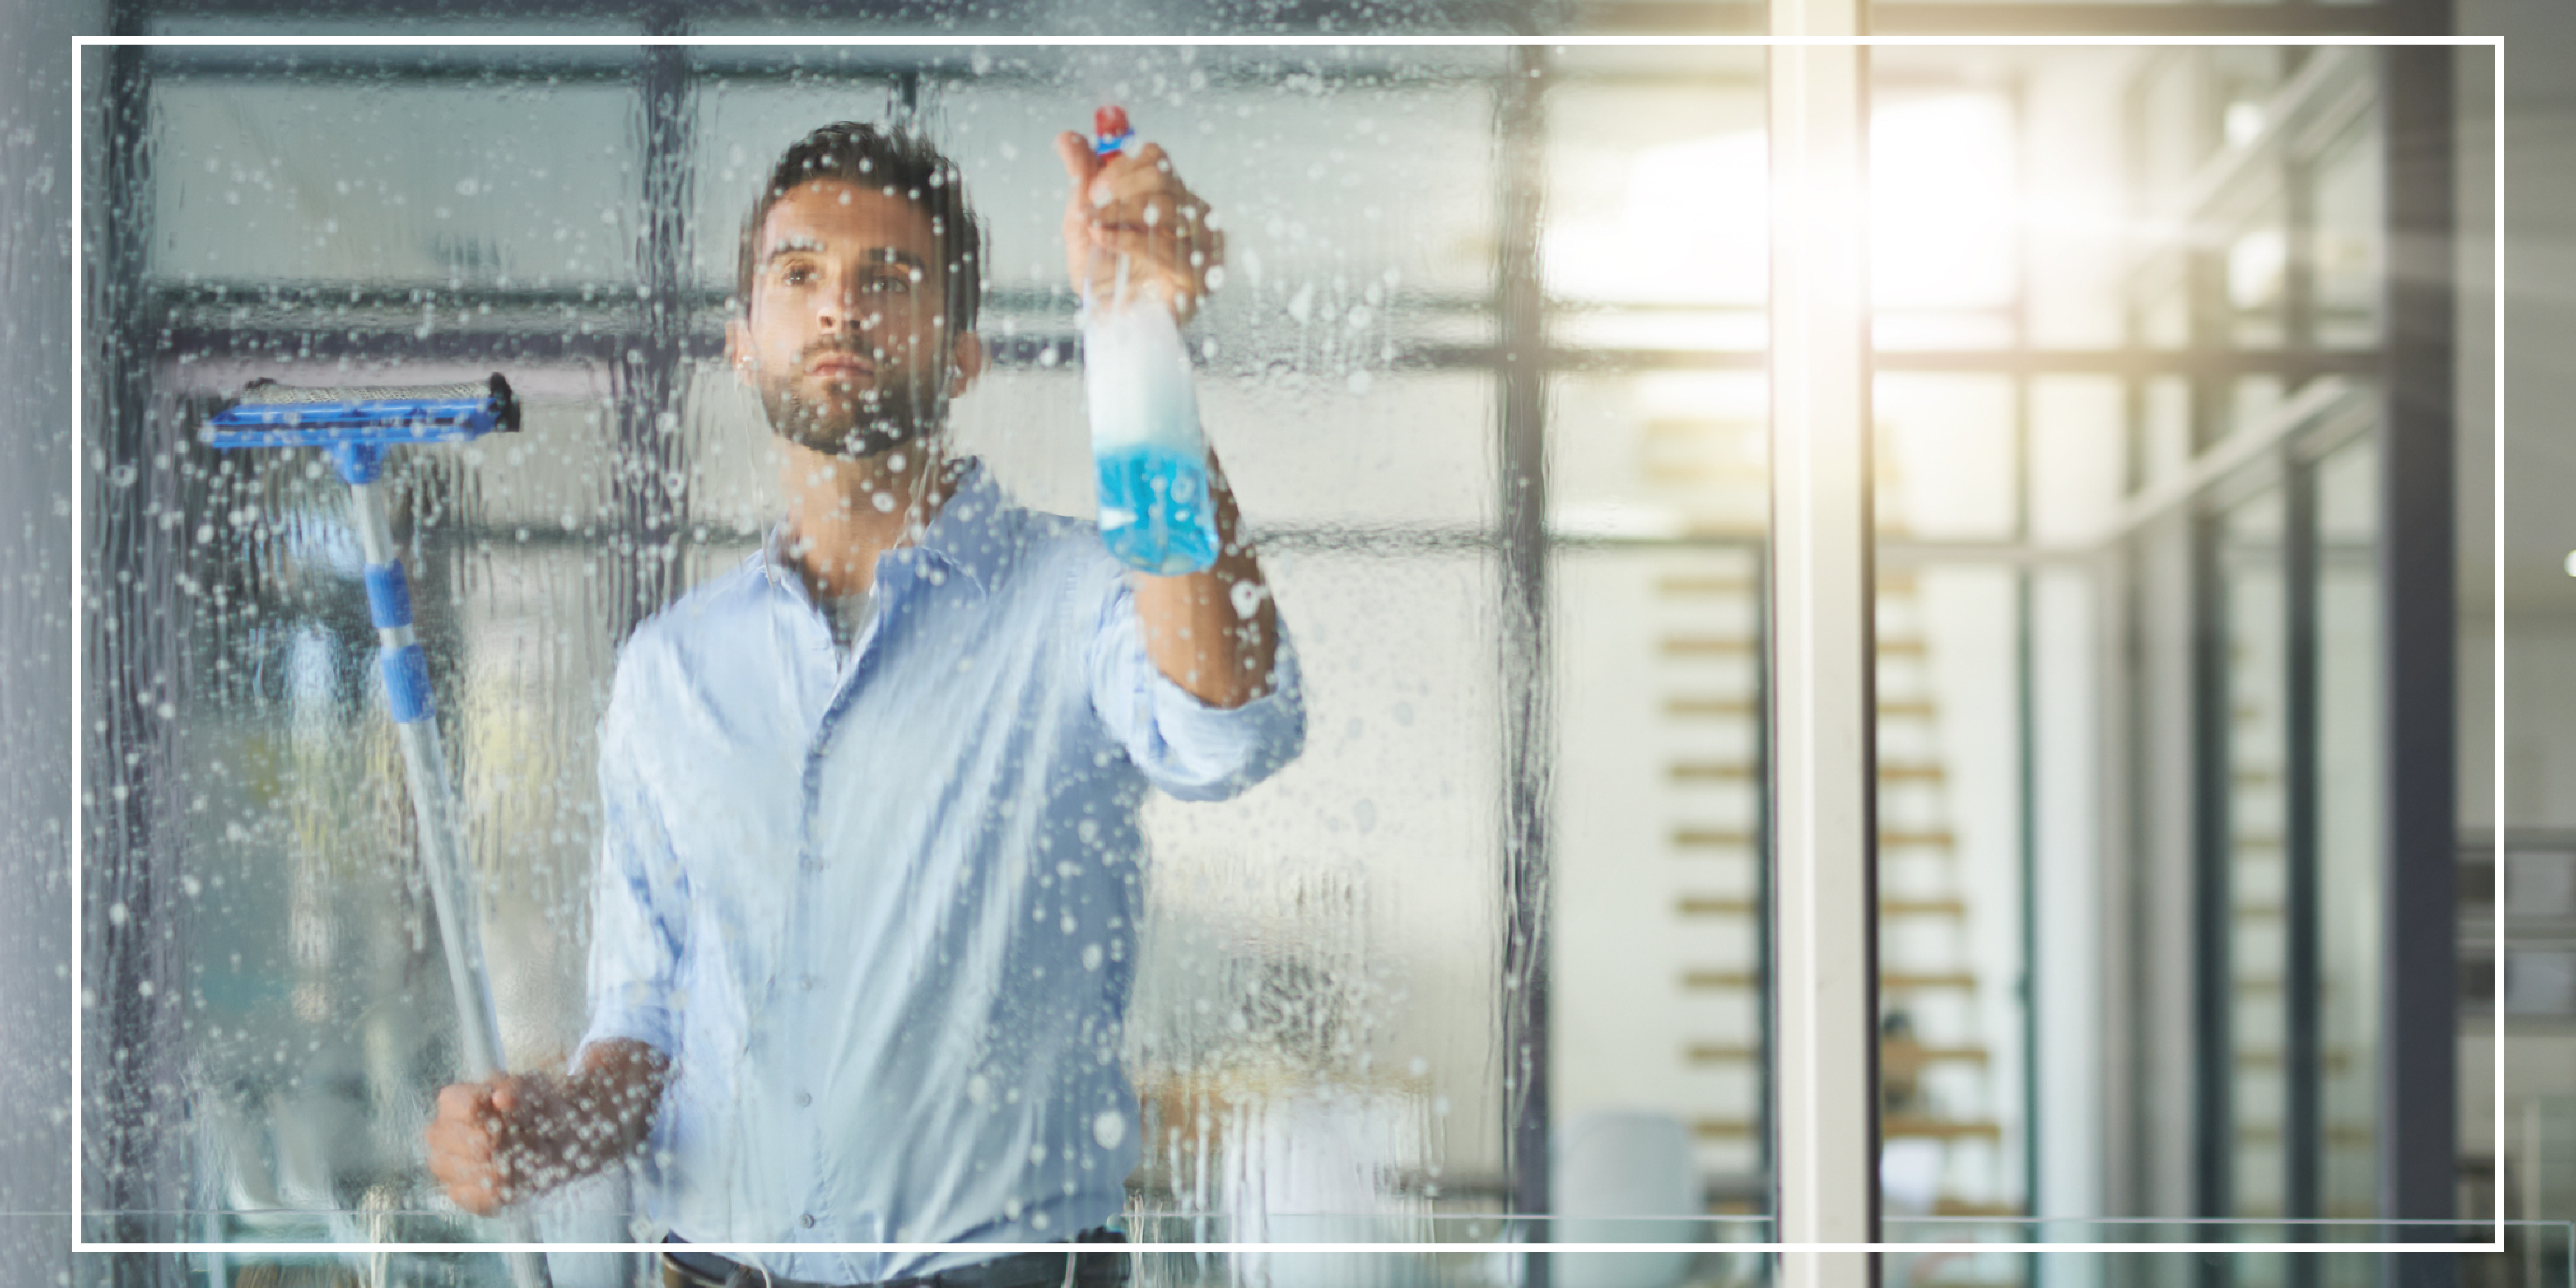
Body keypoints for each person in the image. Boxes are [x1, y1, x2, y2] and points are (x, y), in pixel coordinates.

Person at [422, 119, 1304, 1288]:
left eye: (889, 279)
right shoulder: (670, 671)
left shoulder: (1085, 601)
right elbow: (646, 1022)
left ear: (962, 355)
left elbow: (1226, 725)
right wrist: (551, 1131)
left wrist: (1143, 347)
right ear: (742, 341)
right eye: (801, 277)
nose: (841, 307)